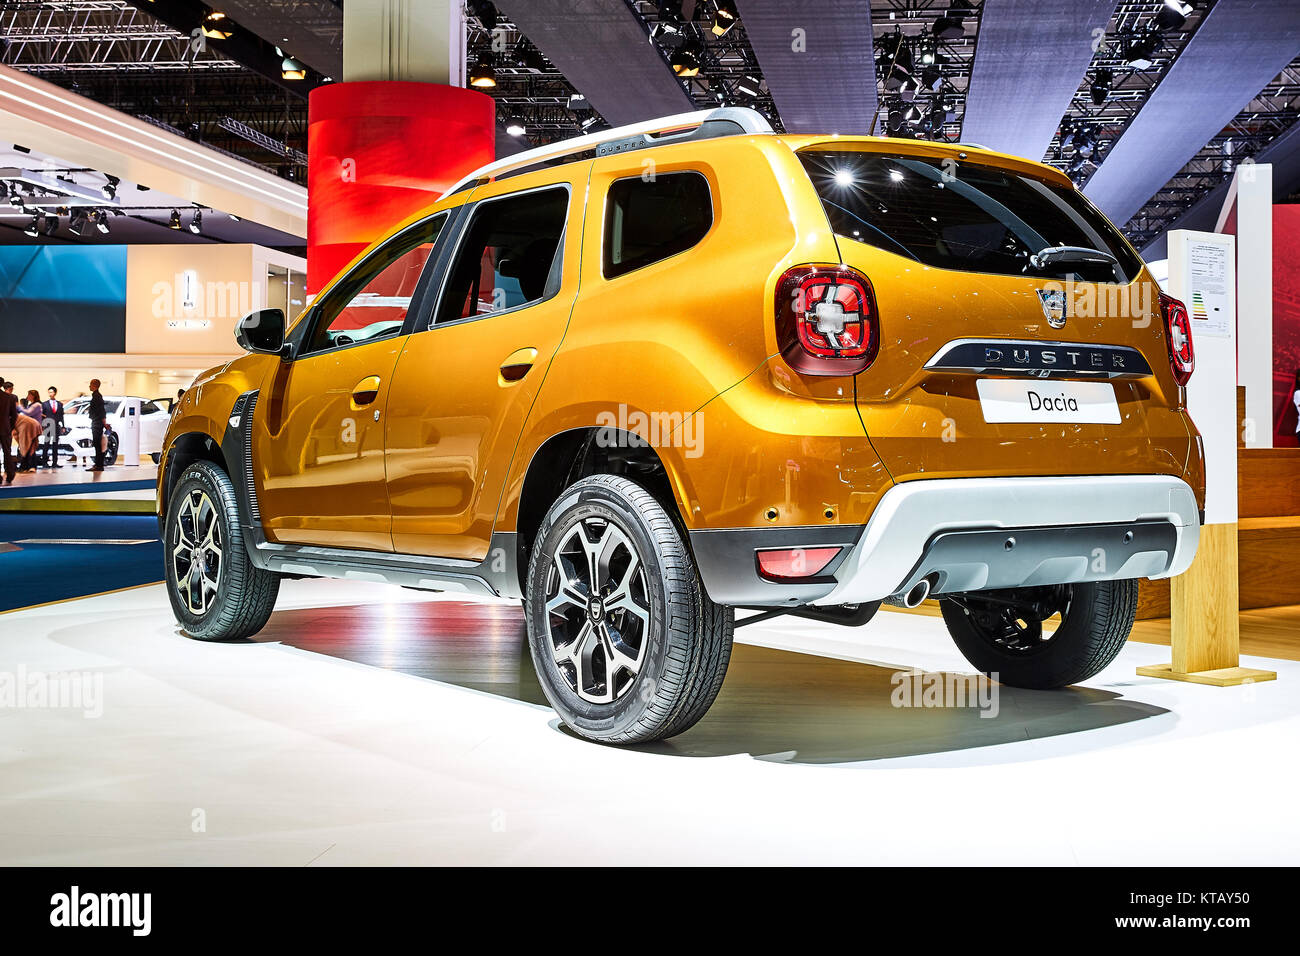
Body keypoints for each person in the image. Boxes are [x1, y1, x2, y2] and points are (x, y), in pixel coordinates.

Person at [17, 390, 43, 471]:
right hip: (29, 428)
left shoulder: (37, 405)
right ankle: (27, 466)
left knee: (31, 447)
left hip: (34, 428)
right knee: (28, 447)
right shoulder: (31, 405)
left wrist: (19, 407)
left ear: (33, 396)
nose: (27, 396)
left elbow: (28, 413)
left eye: (29, 395)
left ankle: (31, 466)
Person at [41, 386, 64, 468]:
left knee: (55, 445)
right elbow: (42, 415)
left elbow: (61, 416)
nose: (50, 394)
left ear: (55, 393)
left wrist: (63, 426)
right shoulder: (44, 404)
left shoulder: (59, 404)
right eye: (49, 392)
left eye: (51, 392)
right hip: (48, 425)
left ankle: (55, 463)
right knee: (46, 444)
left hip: (56, 426)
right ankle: (44, 462)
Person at [0, 379, 17, 484]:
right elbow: (14, 415)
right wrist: (10, 427)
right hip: (5, 428)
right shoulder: (9, 397)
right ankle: (10, 474)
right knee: (7, 452)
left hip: (5, 428)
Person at [87, 378, 106, 472]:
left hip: (97, 423)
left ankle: (99, 465)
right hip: (97, 422)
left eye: (91, 384)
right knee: (97, 444)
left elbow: (101, 411)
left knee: (97, 444)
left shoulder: (97, 397)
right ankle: (98, 464)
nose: (89, 386)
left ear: (95, 385)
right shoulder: (96, 396)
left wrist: (104, 423)